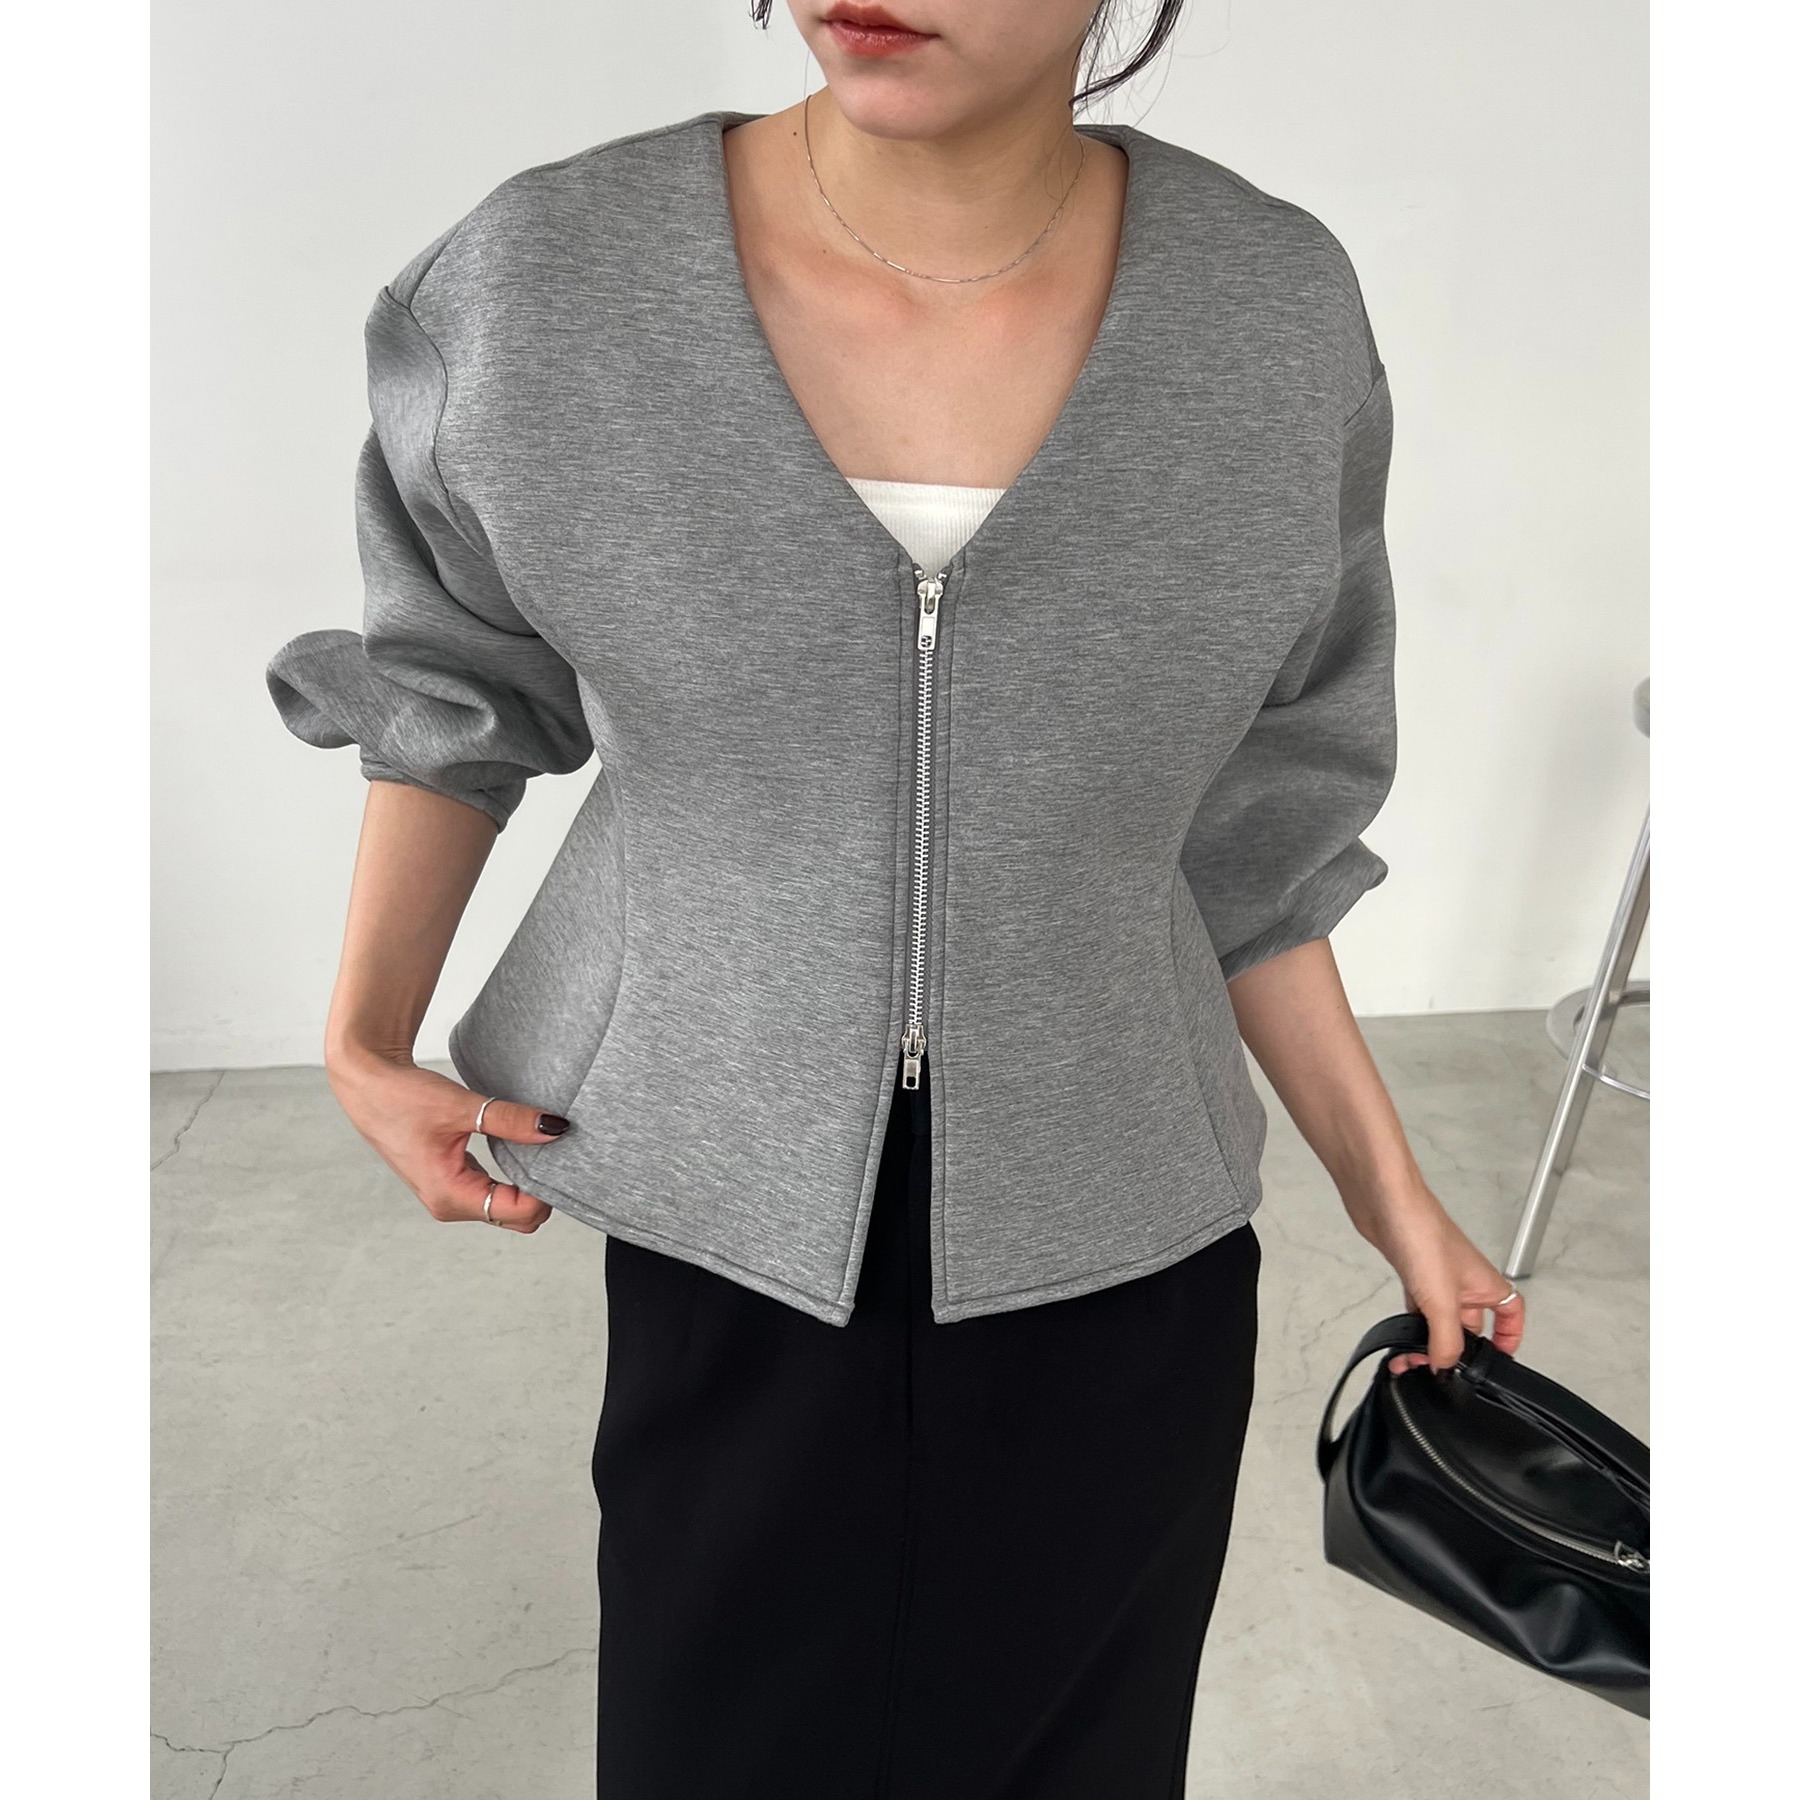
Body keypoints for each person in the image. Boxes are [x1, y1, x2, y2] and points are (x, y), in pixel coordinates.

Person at [265, 3, 1528, 1793]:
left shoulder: (1271, 311)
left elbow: (1257, 832)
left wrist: (1396, 1197)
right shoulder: (546, 280)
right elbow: (452, 685)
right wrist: (363, 1035)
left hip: (1122, 1236)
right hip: (727, 1222)